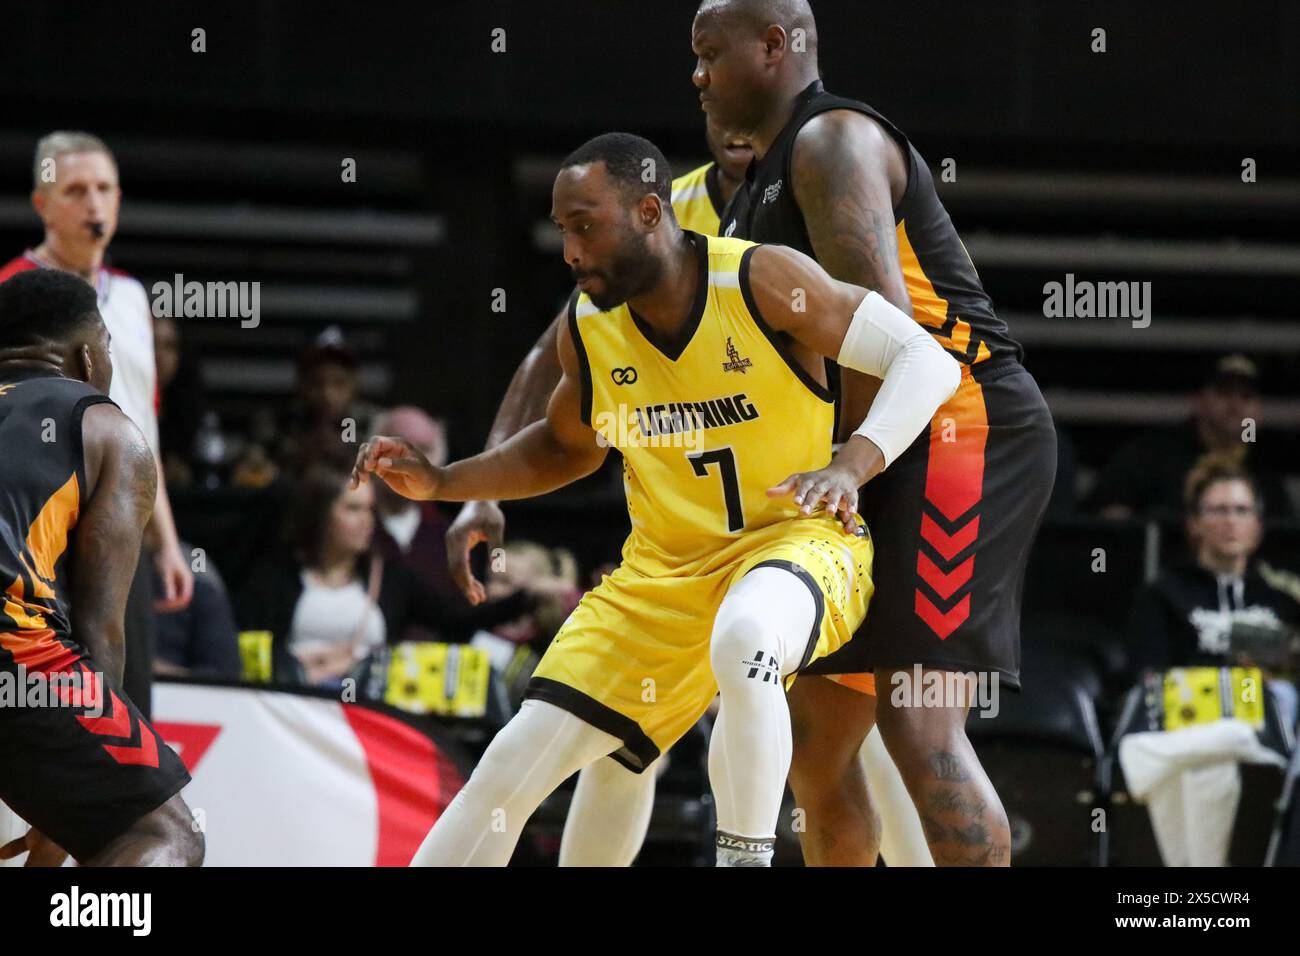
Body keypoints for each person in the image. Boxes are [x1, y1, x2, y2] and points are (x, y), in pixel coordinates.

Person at [355, 131, 959, 866]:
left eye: (585, 225)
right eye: (562, 230)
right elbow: (564, 447)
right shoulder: (591, 327)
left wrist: (851, 466)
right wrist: (448, 481)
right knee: (505, 776)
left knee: (746, 640)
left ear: (648, 211)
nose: (571, 251)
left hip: (795, 544)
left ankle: (743, 858)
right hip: (662, 577)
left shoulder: (761, 280)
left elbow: (924, 360)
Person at [690, 0, 1058, 866]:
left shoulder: (832, 142)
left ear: (775, 45)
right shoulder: (754, 189)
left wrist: (847, 473)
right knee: (817, 738)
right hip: (882, 448)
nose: (697, 76)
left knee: (917, 717)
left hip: (961, 427)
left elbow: (889, 343)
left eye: (710, 53)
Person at [0, 269, 202, 866]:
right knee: (164, 836)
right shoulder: (106, 427)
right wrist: (89, 797)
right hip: (14, 650)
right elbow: (101, 635)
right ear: (90, 358)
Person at [0, 131, 195, 719]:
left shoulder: (133, 298)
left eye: (105, 189)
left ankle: (114, 806)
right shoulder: (13, 290)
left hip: (117, 519)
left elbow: (144, 429)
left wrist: (166, 541)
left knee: (125, 699)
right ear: (42, 205)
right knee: (46, 711)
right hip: (37, 529)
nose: (94, 205)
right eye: (77, 190)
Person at [235, 466, 537, 687]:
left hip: (370, 712)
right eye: (352, 509)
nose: (367, 520)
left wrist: (529, 598)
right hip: (294, 705)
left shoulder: (393, 577)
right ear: (319, 515)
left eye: (369, 510)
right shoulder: (274, 576)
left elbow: (456, 620)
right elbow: (246, 649)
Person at [1128, 455, 1300, 690]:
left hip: (1271, 716)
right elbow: (1148, 678)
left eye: (1242, 510)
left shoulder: (1281, 600)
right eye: (1219, 510)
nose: (1231, 521)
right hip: (1191, 717)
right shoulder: (1163, 596)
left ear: (1258, 526)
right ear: (1194, 523)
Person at [1091, 355, 1296, 521]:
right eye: (1224, 394)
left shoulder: (1264, 468)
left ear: (1259, 411)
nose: (1235, 406)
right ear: (1198, 402)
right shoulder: (1153, 455)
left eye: (1246, 397)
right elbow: (1108, 513)